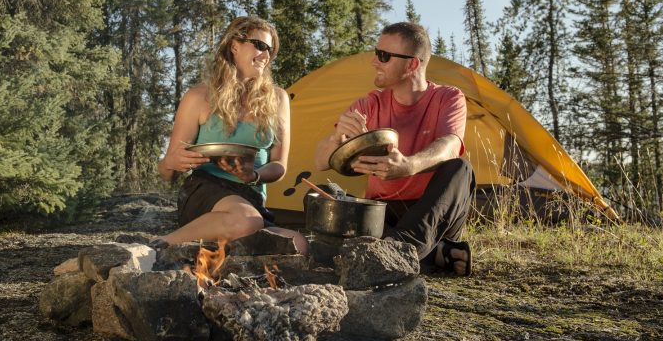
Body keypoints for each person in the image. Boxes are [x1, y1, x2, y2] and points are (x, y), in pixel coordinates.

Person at [314, 22, 475, 275]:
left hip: (433, 211)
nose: (374, 62)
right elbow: (320, 161)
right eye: (376, 53)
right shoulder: (370, 103)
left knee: (461, 169)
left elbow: (450, 145)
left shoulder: (448, 97)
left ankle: (395, 251)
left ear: (412, 64)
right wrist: (337, 138)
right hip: (383, 213)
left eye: (383, 56)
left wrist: (408, 166)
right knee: (322, 195)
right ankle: (431, 253)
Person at [157, 16, 306, 253]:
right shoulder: (198, 97)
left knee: (298, 244)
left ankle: (219, 245)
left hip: (250, 198)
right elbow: (167, 173)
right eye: (260, 45)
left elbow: (279, 165)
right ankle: (160, 245)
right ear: (234, 45)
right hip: (205, 189)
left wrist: (255, 175)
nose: (266, 55)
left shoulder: (278, 98)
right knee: (246, 220)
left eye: (271, 50)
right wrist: (170, 162)